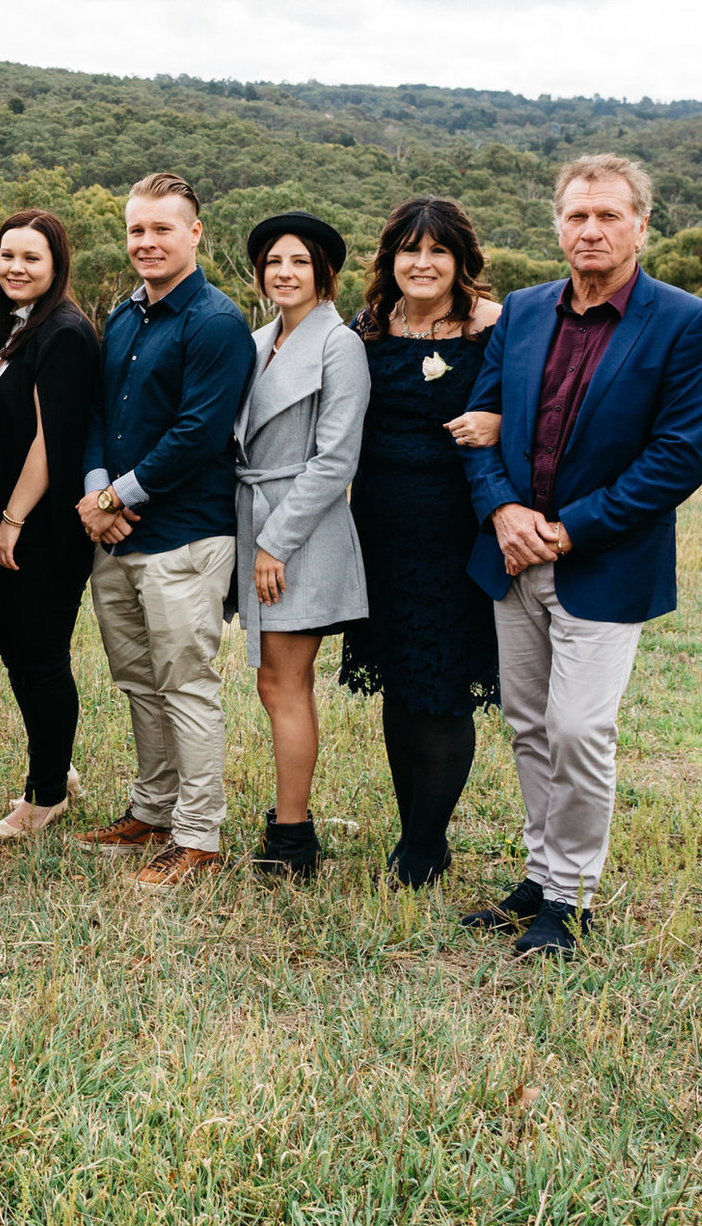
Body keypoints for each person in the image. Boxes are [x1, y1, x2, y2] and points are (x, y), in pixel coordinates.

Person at [459, 155, 702, 958]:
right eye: (578, 216)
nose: (591, 230)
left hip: (601, 559)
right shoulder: (526, 311)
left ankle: (571, 898)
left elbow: (680, 456)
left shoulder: (686, 323)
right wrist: (502, 509)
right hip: (509, 554)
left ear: (642, 224)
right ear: (558, 225)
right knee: (529, 725)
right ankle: (540, 878)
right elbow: (479, 419)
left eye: (609, 215)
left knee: (579, 729)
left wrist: (568, 528)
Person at [76, 174, 256, 888]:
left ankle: (198, 834)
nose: (145, 243)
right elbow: (96, 412)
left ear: (195, 233)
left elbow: (199, 432)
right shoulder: (125, 315)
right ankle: (151, 810)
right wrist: (97, 493)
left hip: (185, 535)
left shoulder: (215, 321)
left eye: (161, 230)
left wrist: (119, 492)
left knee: (185, 683)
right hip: (115, 535)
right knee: (137, 682)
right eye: (136, 231)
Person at [340, 198, 505, 889]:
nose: (423, 263)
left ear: (461, 260)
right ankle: (415, 834)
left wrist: (499, 420)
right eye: (409, 250)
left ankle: (424, 847)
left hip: (454, 531)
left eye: (438, 251)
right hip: (378, 529)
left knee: (440, 689)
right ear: (390, 258)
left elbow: (534, 402)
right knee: (400, 685)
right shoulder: (369, 327)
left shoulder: (493, 327)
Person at [232, 213, 371, 880]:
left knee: (285, 682)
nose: (284, 272)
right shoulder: (261, 340)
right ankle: (289, 826)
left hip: (299, 532)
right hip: (254, 520)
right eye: (272, 262)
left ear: (323, 273)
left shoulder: (337, 344)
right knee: (272, 681)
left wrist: (274, 541)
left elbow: (336, 457)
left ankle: (292, 838)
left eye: (299, 262)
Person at [0, 210, 100, 842]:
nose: (16, 269)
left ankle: (45, 796)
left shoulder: (65, 333)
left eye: (31, 259)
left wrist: (10, 519)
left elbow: (53, 440)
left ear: (56, 266)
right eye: (7, 256)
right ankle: (58, 768)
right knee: (21, 658)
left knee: (41, 659)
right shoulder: (10, 329)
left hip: (37, 530)